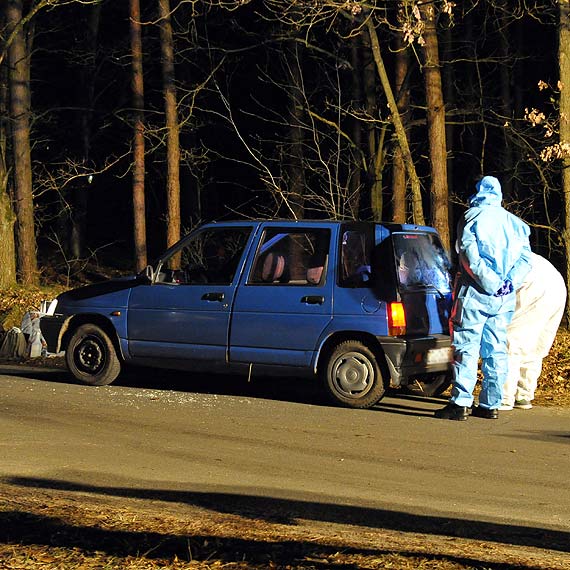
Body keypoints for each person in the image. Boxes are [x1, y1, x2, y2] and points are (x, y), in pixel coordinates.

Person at [435, 175, 532, 421]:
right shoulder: (515, 224)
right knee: (496, 349)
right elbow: (525, 260)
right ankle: (490, 404)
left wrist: (491, 282)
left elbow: (469, 257)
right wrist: (508, 283)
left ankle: (460, 403)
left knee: (466, 348)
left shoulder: (471, 218)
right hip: (503, 298)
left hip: (475, 294)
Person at [500, 252, 567, 410]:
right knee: (535, 343)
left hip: (533, 284)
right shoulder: (521, 251)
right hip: (555, 284)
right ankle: (524, 394)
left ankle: (504, 396)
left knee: (511, 341)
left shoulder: (497, 253)